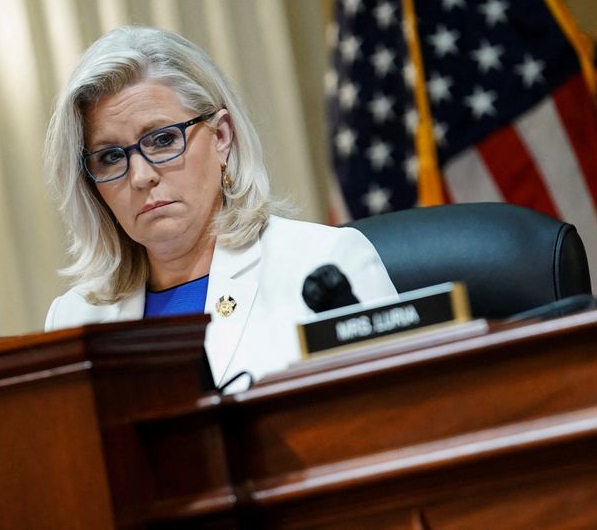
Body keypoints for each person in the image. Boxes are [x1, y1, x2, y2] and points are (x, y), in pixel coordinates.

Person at [43, 25, 396, 391]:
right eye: (111, 157)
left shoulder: (326, 263)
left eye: (162, 140)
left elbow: (397, 421)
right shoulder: (74, 319)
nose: (141, 176)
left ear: (222, 137)